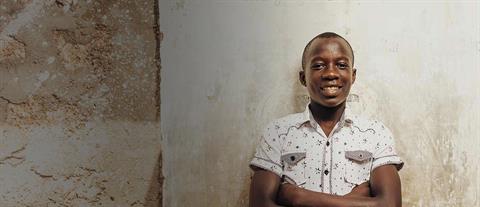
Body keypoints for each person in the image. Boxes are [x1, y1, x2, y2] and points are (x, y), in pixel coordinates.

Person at [249, 32, 404, 207]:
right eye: (319, 66)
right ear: (303, 78)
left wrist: (299, 197)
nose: (331, 73)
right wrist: (353, 201)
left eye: (341, 65)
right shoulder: (278, 133)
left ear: (353, 75)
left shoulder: (376, 134)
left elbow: (390, 205)